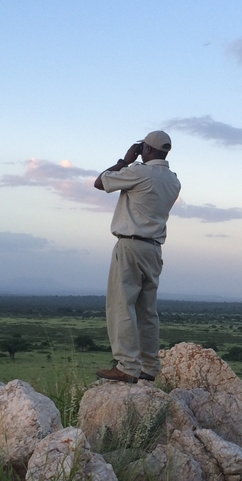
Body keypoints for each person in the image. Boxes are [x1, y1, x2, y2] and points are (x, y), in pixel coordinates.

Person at [93, 130, 181, 383]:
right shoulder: (174, 181)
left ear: (149, 150)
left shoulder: (139, 172)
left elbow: (101, 182)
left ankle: (127, 366)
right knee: (147, 311)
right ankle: (150, 366)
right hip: (154, 248)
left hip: (130, 245)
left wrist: (125, 161)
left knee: (121, 305)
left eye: (143, 147)